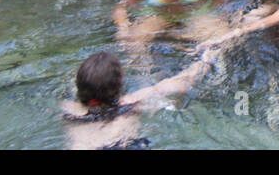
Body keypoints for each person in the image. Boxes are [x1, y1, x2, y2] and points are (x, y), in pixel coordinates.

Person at [62, 50, 212, 149]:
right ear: (119, 84)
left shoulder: (68, 109)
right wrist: (207, 57)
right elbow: (180, 84)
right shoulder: (130, 103)